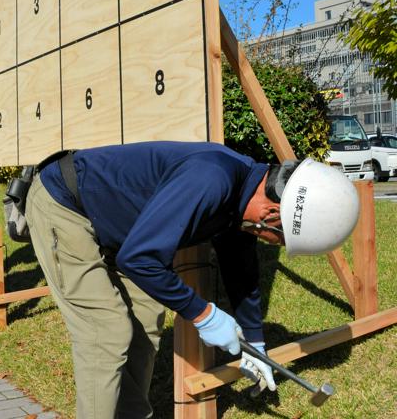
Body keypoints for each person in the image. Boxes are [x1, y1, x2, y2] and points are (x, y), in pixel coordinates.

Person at [24, 141, 360, 418]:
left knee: (146, 320)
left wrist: (255, 344)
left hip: (125, 230)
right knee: (105, 330)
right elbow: (139, 259)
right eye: (280, 239)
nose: (273, 243)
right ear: (270, 215)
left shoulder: (244, 196)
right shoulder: (212, 180)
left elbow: (241, 272)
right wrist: (203, 314)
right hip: (65, 204)